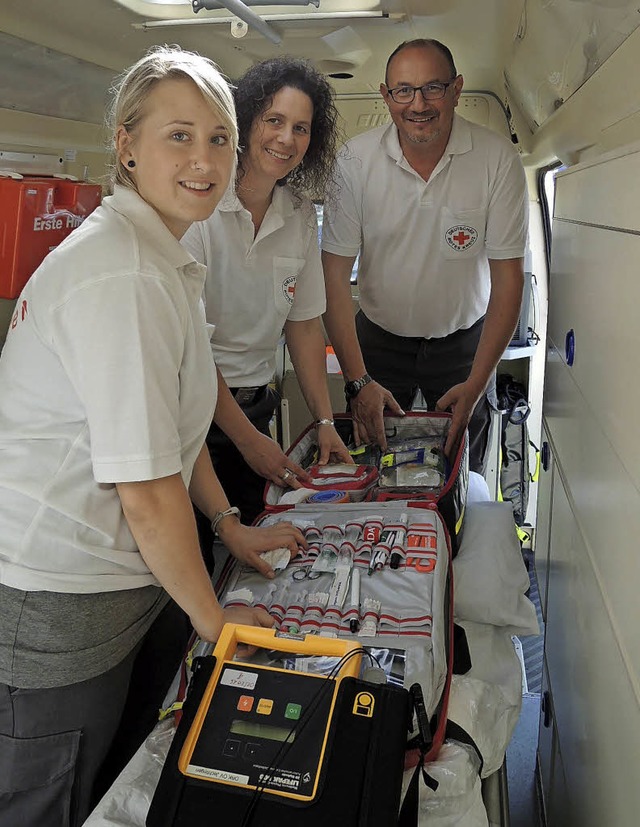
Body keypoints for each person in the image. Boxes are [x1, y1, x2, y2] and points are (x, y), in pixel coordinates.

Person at [0, 46, 305, 827]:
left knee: (115, 786)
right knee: (51, 800)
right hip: (61, 603)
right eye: (179, 136)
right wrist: (217, 621)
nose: (204, 160)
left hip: (132, 586)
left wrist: (228, 524)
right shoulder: (122, 275)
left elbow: (176, 427)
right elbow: (143, 488)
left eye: (218, 139)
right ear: (125, 144)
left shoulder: (161, 258)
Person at [321, 38, 528, 472]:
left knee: (458, 469)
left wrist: (478, 383)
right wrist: (358, 381)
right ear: (386, 95)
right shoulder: (354, 161)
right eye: (404, 90)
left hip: (465, 347)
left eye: (433, 88)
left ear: (457, 90)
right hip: (377, 345)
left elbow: (508, 281)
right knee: (373, 466)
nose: (418, 104)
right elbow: (333, 276)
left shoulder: (496, 159)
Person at [183, 56, 352, 532]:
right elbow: (190, 350)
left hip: (259, 407)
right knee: (199, 549)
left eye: (301, 128)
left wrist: (324, 422)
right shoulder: (199, 207)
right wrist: (248, 441)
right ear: (242, 122)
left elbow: (303, 325)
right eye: (273, 120)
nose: (286, 138)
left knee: (259, 543)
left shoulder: (298, 214)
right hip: (193, 413)